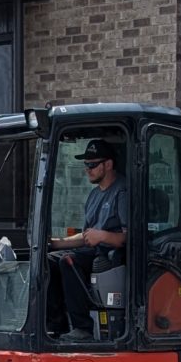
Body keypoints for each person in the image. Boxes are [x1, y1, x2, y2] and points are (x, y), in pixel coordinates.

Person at [50, 139, 128, 335]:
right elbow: (87, 236)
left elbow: (126, 238)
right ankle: (55, 324)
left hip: (111, 255)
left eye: (92, 165)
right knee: (49, 260)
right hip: (93, 250)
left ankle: (82, 327)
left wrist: (102, 236)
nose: (88, 169)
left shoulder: (122, 191)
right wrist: (57, 243)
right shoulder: (94, 195)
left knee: (69, 261)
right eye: (86, 164)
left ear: (108, 165)